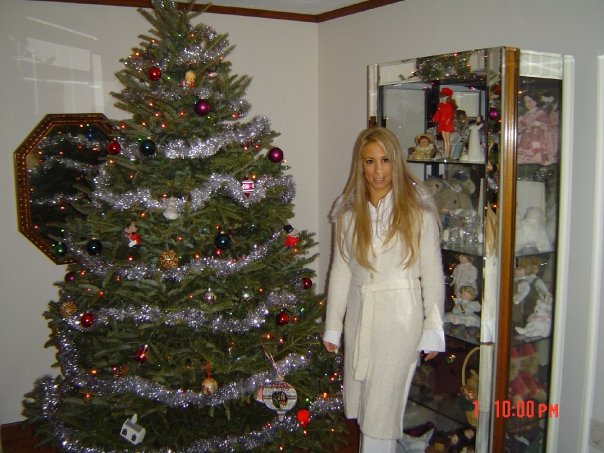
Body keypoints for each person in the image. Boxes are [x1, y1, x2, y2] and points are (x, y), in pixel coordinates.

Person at [323, 127, 445, 453]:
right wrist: (333, 326)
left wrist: (433, 328)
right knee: (366, 406)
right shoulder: (349, 214)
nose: (378, 170)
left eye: (385, 160)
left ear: (396, 162)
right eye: (370, 161)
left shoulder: (418, 212)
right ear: (360, 165)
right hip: (360, 317)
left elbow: (432, 274)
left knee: (382, 411)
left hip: (400, 320)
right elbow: (341, 271)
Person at [432, 87, 455, 159]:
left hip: (447, 124)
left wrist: (447, 122)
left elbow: (450, 115)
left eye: (443, 96)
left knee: (447, 140)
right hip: (442, 123)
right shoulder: (440, 105)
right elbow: (438, 113)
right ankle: (445, 154)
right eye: (441, 97)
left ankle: (447, 154)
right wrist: (434, 119)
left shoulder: (449, 105)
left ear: (447, 97)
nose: (441, 98)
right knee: (444, 140)